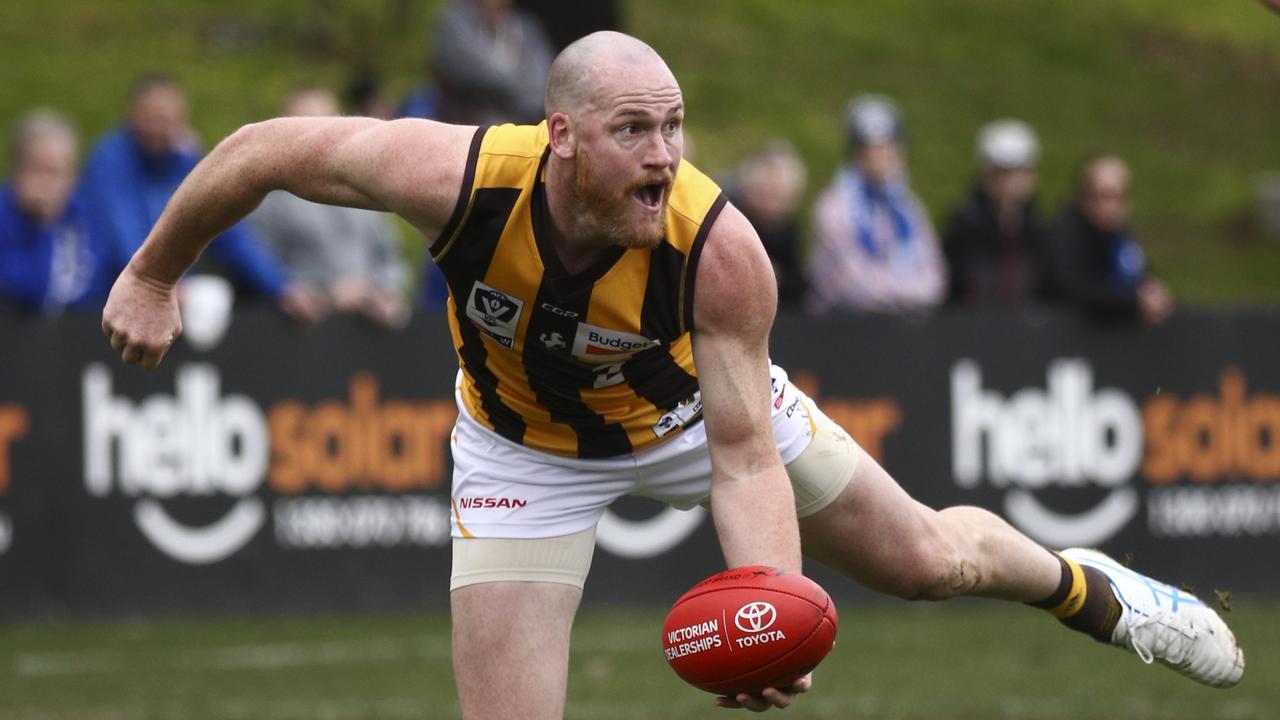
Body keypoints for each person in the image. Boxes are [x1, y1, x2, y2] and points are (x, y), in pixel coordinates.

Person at [101, 32, 1243, 718]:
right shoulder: (451, 177)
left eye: (676, 128)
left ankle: (1089, 589)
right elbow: (259, 152)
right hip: (521, 450)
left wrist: (771, 610)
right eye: (635, 130)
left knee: (928, 563)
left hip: (694, 419)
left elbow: (743, 457)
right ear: (559, 138)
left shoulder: (721, 253)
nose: (663, 157)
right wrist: (156, 270)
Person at [81, 74, 323, 321]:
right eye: (153, 118)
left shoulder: (185, 160)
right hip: (105, 303)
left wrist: (281, 286)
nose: (161, 129)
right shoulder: (108, 161)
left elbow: (227, 227)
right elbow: (123, 230)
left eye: (169, 120)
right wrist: (159, 282)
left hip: (168, 295)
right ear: (132, 115)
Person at [249, 87, 410, 328]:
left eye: (329, 123)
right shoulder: (268, 198)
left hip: (368, 328)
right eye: (308, 125)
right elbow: (259, 267)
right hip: (301, 332)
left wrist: (384, 291)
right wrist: (327, 292)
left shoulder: (365, 190)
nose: (321, 135)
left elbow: (390, 255)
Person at [806, 95, 946, 314]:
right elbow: (851, 285)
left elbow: (935, 279)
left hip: (901, 324)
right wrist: (905, 292)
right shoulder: (835, 206)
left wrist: (899, 294)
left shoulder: (908, 208)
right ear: (855, 153)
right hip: (844, 327)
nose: (879, 155)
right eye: (869, 148)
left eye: (887, 146)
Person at [0, 109, 109, 313]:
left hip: (76, 334)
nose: (47, 182)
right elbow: (32, 292)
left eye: (57, 171)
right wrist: (43, 225)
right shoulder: (5, 214)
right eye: (38, 169)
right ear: (17, 169)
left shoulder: (83, 211)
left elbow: (95, 286)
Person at [1043, 155, 1173, 324]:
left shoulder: (1121, 234)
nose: (1112, 207)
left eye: (1120, 197)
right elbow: (1072, 287)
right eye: (1104, 196)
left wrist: (1152, 289)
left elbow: (1137, 271)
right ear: (1084, 196)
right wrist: (1132, 301)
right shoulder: (1064, 233)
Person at [943, 119, 1047, 308]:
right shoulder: (964, 226)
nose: (1010, 181)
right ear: (985, 174)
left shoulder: (1040, 229)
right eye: (1003, 172)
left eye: (1020, 171)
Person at [431, 0, 554, 125]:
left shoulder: (528, 29)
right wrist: (519, 86)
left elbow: (543, 83)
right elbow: (471, 72)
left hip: (518, 129)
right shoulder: (455, 20)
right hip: (467, 131)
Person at [727, 140, 808, 309]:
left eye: (778, 193)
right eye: (764, 191)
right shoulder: (733, 225)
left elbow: (797, 283)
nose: (771, 202)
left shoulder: (789, 230)